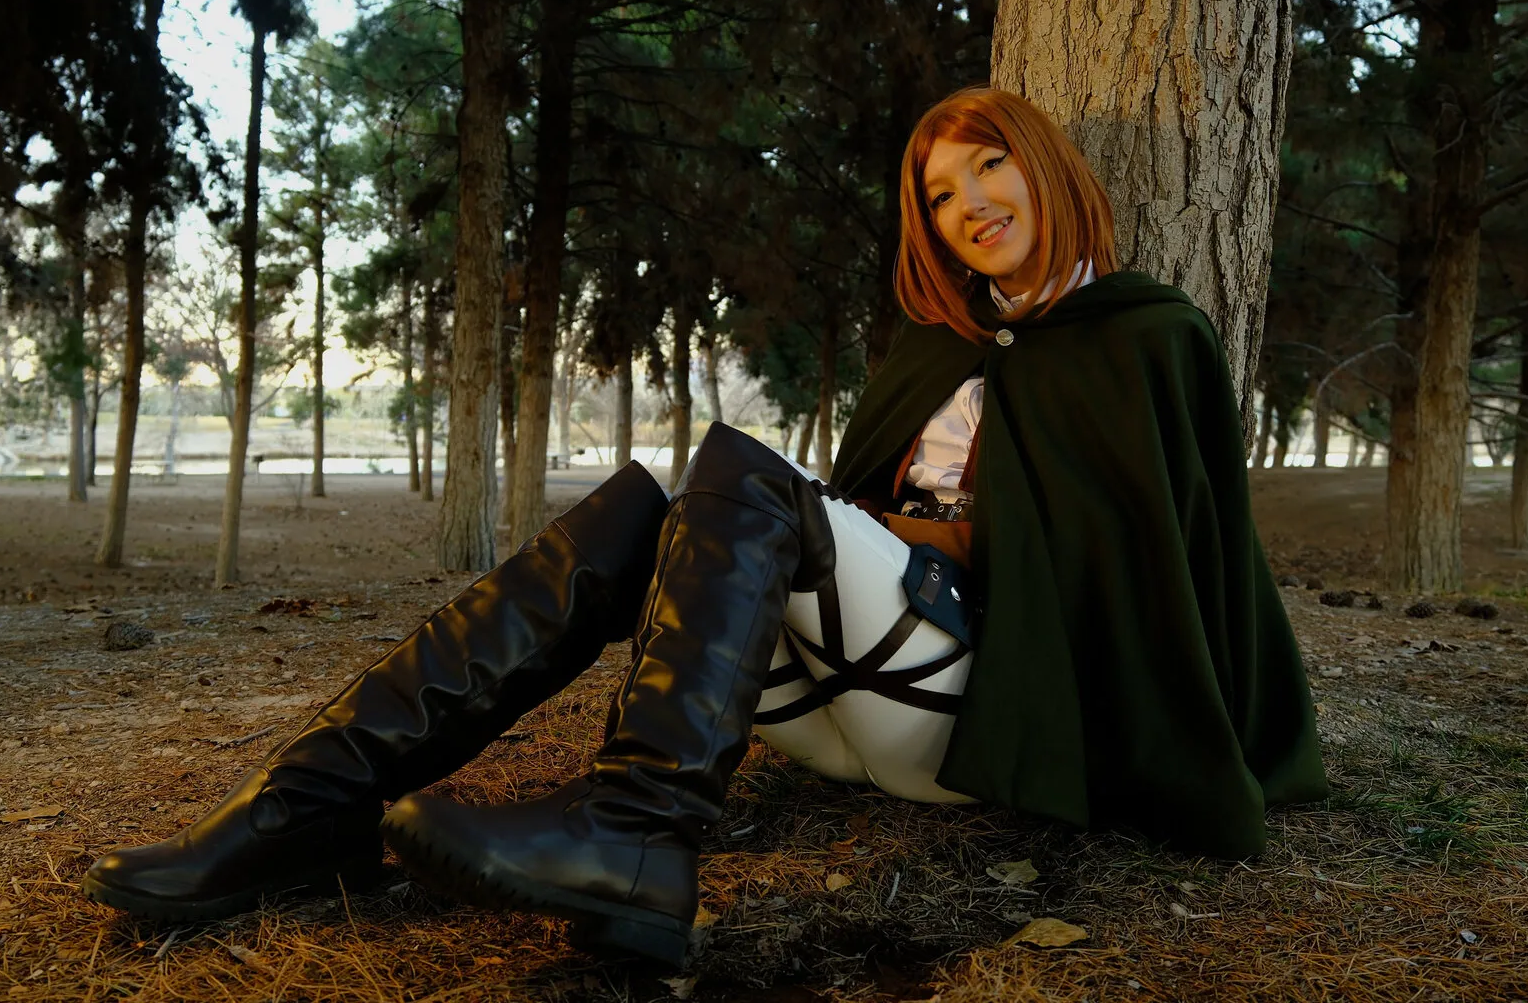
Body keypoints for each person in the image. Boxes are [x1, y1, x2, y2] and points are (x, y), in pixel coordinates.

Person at [81, 85, 1326, 966]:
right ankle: (310, 805)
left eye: (989, 165)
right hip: (847, 697)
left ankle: (637, 826)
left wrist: (903, 532)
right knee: (644, 511)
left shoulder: (1147, 341)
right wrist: (856, 524)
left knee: (740, 469)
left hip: (980, 712)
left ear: (1043, 164)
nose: (970, 204)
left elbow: (1134, 575)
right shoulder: (939, 348)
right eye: (941, 193)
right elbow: (839, 522)